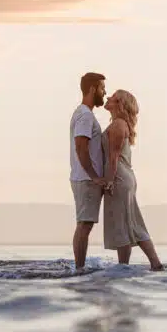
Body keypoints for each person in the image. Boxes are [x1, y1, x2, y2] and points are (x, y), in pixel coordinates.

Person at [101, 89, 164, 271]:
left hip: (119, 177)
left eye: (112, 96)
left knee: (130, 223)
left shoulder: (118, 125)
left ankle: (154, 263)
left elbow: (113, 158)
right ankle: (126, 267)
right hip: (124, 177)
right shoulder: (119, 124)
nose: (108, 97)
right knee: (128, 222)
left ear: (120, 104)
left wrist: (109, 181)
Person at [69, 72, 107, 270]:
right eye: (102, 88)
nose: (104, 92)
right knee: (84, 225)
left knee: (85, 224)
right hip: (86, 179)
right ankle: (80, 269)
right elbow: (80, 147)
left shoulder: (85, 114)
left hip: (84, 178)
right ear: (92, 89)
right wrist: (94, 177)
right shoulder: (85, 115)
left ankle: (79, 267)